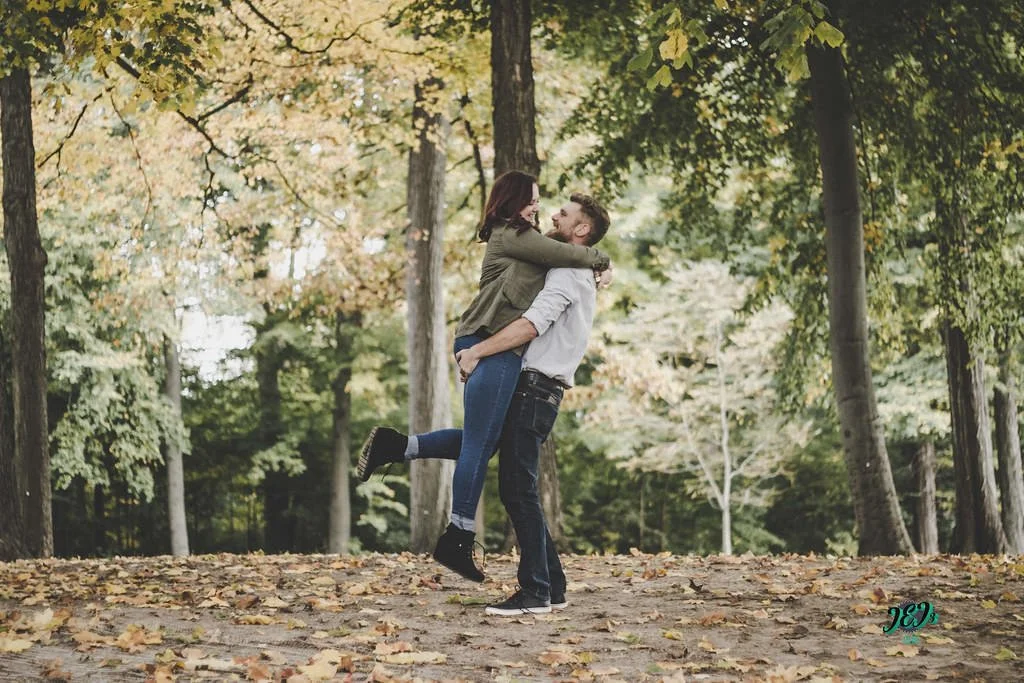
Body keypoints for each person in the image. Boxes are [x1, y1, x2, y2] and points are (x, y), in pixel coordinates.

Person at [360, 193, 611, 616]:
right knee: (486, 446)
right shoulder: (574, 266)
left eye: (564, 215)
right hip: (535, 389)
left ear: (581, 230)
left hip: (535, 388)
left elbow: (532, 324)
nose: (553, 215)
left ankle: (535, 591)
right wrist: (605, 265)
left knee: (518, 490)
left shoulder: (569, 272)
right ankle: (553, 585)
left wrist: (478, 352)